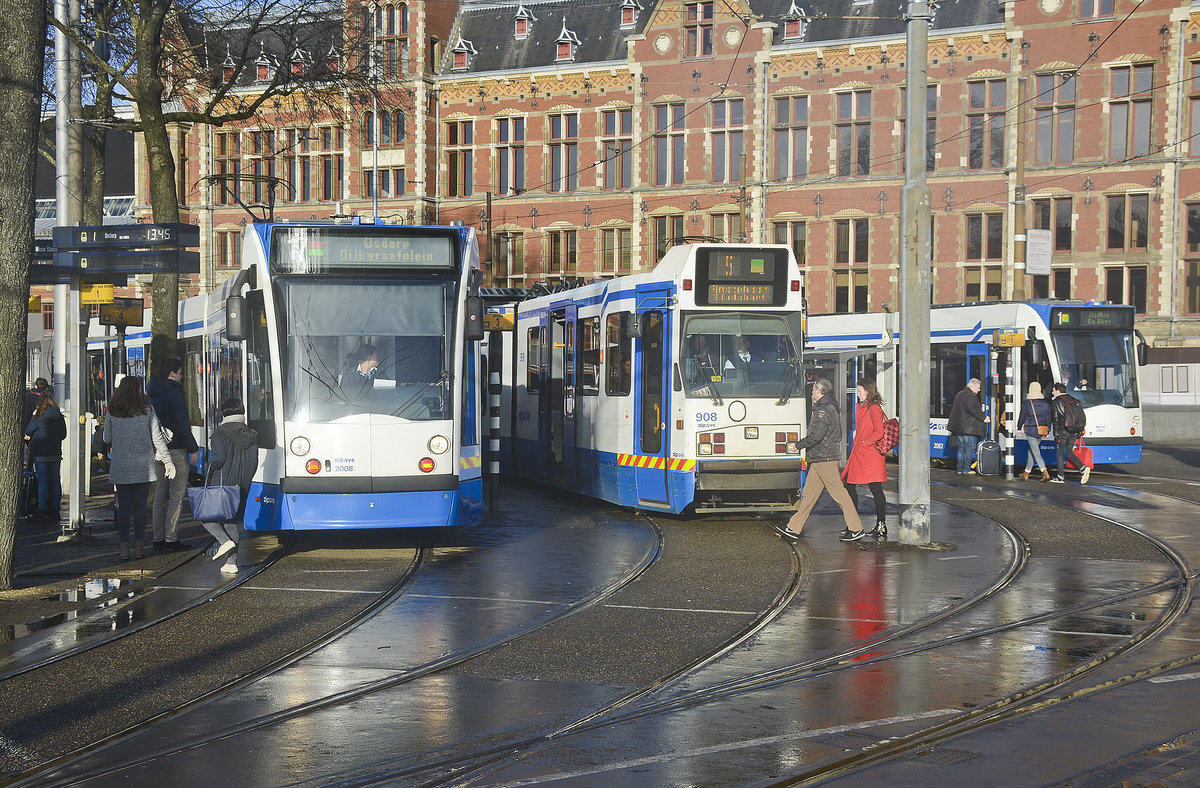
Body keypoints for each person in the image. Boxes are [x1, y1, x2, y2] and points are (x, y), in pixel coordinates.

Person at [772, 377, 865, 542]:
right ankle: (793, 528)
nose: (812, 392)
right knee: (809, 495)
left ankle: (856, 528)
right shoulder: (828, 407)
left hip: (825, 458)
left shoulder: (823, 410)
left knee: (839, 494)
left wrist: (798, 445)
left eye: (814, 389)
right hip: (820, 458)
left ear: (819, 391)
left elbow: (816, 436)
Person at [103, 376, 174, 561]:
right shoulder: (147, 410)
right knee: (141, 509)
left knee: (124, 508)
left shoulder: (113, 410)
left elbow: (106, 438)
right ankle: (139, 549)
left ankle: (124, 549)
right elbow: (157, 438)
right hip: (144, 467)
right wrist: (168, 461)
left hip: (120, 468)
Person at [202, 398, 259, 574]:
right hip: (242, 485)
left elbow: (218, 459)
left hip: (222, 483)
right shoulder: (251, 434)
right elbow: (254, 462)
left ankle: (224, 542)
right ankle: (231, 563)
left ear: (224, 413)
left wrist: (208, 471)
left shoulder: (220, 434)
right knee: (231, 521)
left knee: (206, 518)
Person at [147, 358, 199, 552]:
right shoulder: (174, 394)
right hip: (176, 449)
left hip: (158, 450)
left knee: (161, 493)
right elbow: (181, 424)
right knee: (177, 495)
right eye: (180, 372)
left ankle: (158, 537)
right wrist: (193, 448)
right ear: (172, 374)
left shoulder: (152, 392)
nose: (182, 376)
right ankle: (171, 538)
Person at [841, 377, 888, 539]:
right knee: (849, 485)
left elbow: (879, 432)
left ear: (868, 391)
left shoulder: (873, 408)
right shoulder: (864, 406)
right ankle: (854, 524)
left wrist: (863, 442)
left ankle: (879, 525)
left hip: (869, 455)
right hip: (861, 454)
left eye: (860, 391)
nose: (858, 394)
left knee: (875, 489)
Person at [24, 392, 67, 521]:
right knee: (55, 480)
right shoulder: (59, 416)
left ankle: (42, 509)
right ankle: (55, 509)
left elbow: (28, 431)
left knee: (43, 481)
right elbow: (63, 434)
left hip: (41, 453)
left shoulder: (39, 415)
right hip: (55, 453)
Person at [947, 377, 990, 475]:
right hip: (968, 428)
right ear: (973, 386)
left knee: (961, 448)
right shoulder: (970, 396)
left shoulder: (959, 394)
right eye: (978, 387)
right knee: (969, 448)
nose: (979, 390)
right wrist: (984, 418)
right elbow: (972, 410)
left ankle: (959, 469)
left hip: (958, 428)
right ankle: (966, 469)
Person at [1050, 382, 1090, 484]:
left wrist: (1056, 434)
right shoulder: (1073, 399)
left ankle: (1060, 476)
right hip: (1073, 430)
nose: (1052, 392)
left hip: (1062, 431)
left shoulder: (1056, 402)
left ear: (1058, 391)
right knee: (1069, 452)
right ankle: (1083, 468)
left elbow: (1056, 420)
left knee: (1059, 453)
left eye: (1053, 390)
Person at [1017, 381, 1052, 482]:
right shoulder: (1046, 402)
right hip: (1042, 430)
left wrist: (1019, 428)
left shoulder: (1027, 403)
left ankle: (1045, 472)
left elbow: (1022, 416)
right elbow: (1049, 417)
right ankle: (1026, 473)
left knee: (1036, 452)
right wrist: (1048, 429)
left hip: (1031, 430)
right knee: (1031, 451)